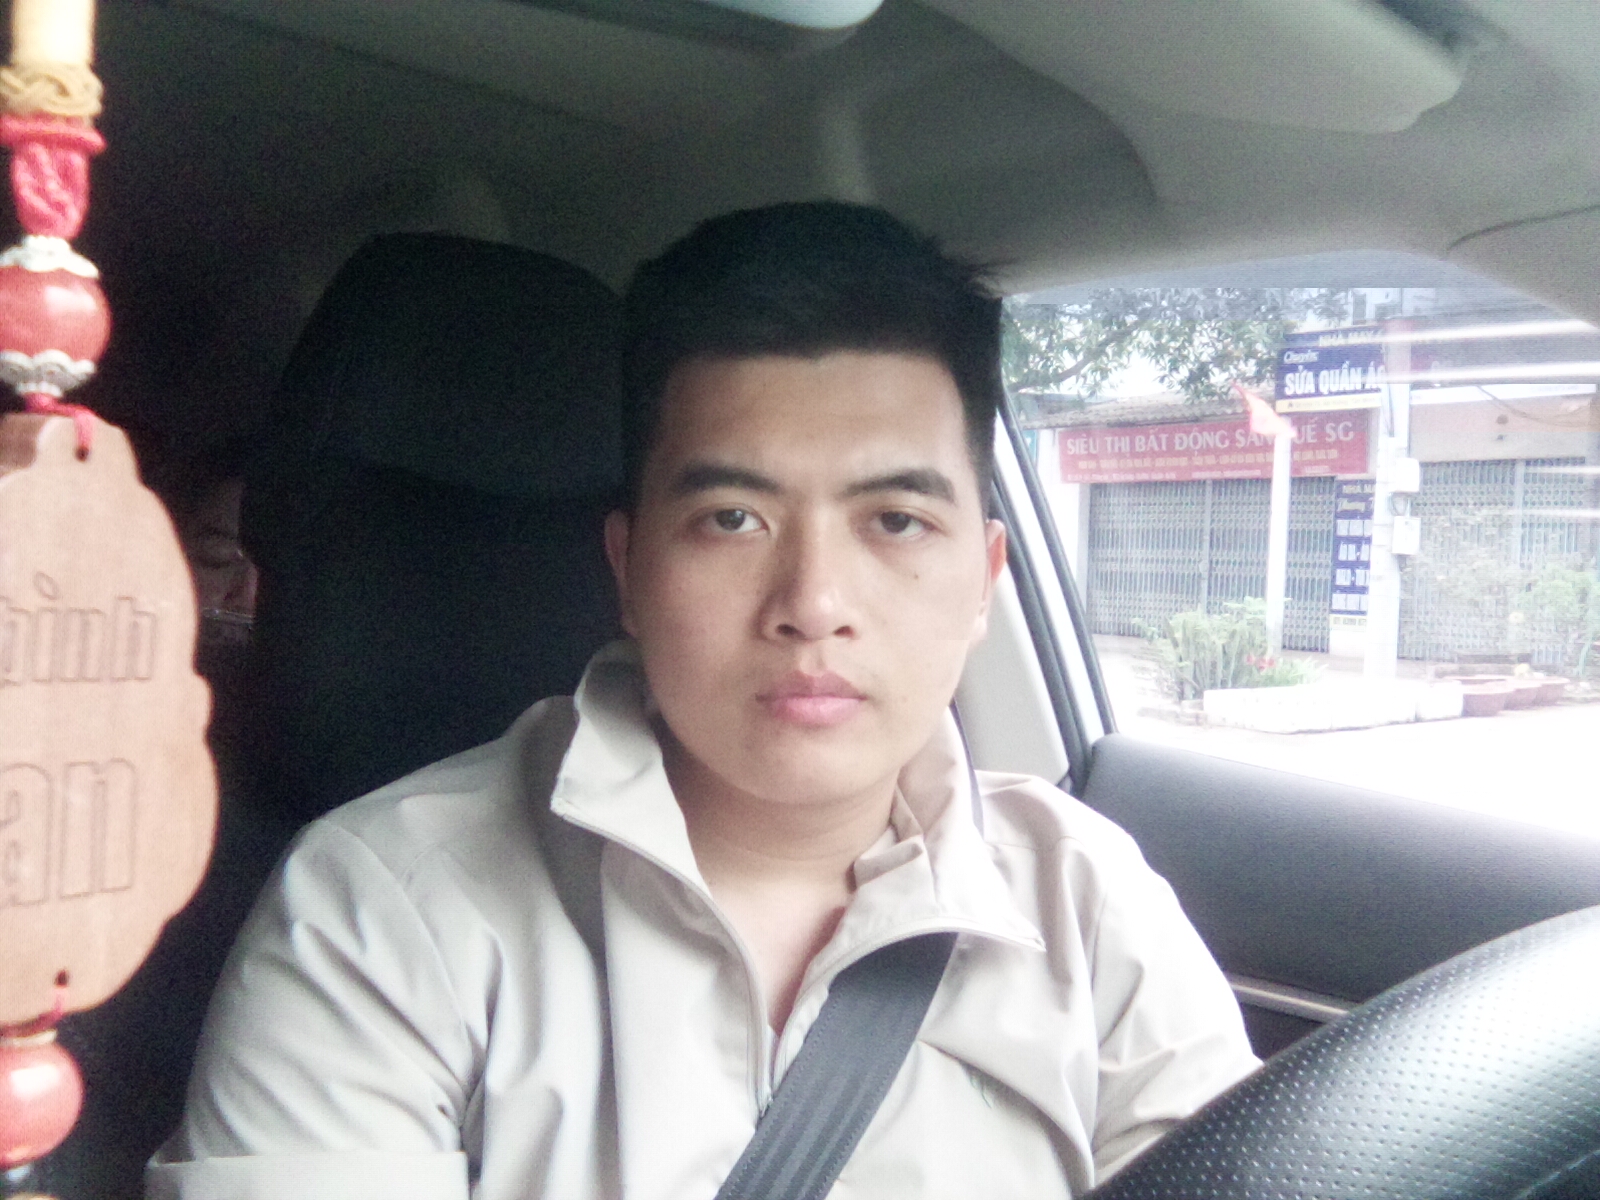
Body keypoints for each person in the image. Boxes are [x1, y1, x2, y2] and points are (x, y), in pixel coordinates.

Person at [149, 202, 1257, 1200]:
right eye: (733, 519)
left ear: (984, 581)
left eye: (895, 521)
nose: (813, 605)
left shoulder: (1088, 904)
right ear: (628, 571)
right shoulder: (382, 913)